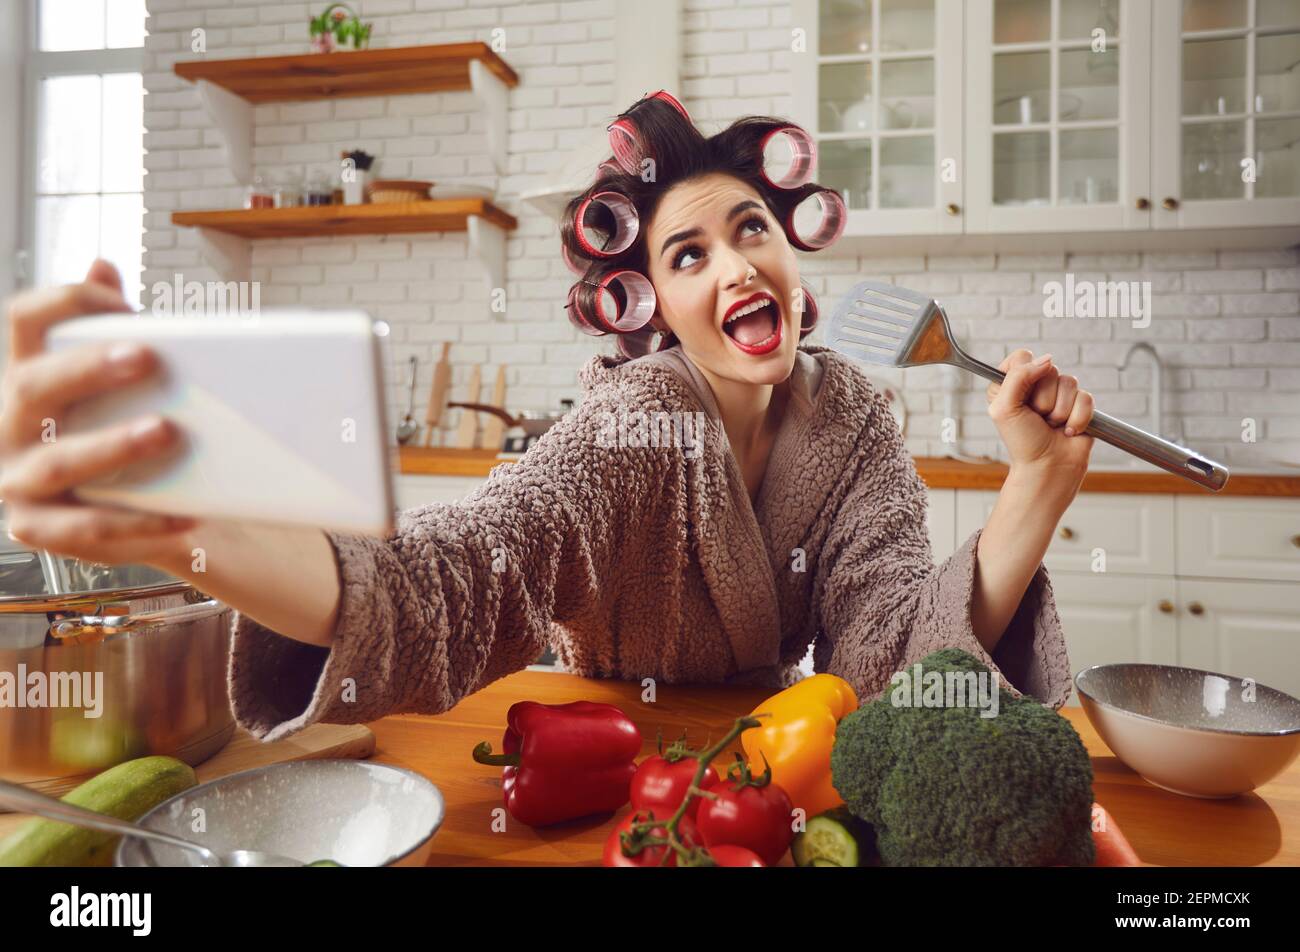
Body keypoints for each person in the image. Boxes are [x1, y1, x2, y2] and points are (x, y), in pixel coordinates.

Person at [0, 93, 1095, 743]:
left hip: (767, 769)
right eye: (686, 255)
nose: (734, 266)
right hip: (588, 748)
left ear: (791, 253)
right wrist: (195, 531)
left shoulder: (854, 419)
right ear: (655, 307)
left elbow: (892, 655)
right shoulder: (633, 425)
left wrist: (1035, 489)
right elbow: (469, 575)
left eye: (751, 229)